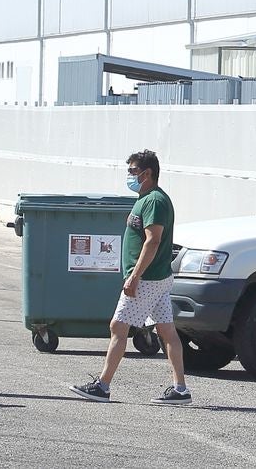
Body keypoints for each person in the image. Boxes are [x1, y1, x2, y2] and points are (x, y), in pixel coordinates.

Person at [69, 150, 190, 405]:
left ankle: (102, 386)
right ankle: (180, 389)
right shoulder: (145, 199)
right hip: (156, 279)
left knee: (118, 327)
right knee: (166, 331)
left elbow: (153, 240)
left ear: (148, 174)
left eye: (134, 171)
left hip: (147, 279)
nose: (130, 176)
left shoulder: (155, 201)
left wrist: (135, 276)